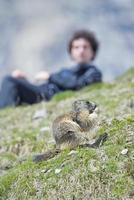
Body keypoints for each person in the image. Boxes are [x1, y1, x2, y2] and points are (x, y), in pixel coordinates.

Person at [0, 29, 102, 109]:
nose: (81, 51)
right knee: (12, 81)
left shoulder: (93, 73)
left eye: (85, 47)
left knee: (9, 80)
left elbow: (78, 85)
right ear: (71, 52)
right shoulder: (65, 71)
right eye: (76, 47)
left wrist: (50, 76)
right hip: (42, 91)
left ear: (93, 51)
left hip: (47, 97)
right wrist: (23, 80)